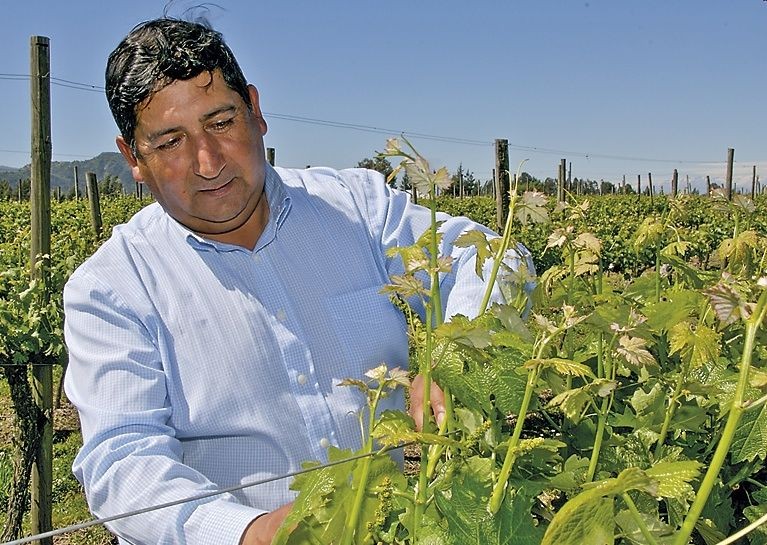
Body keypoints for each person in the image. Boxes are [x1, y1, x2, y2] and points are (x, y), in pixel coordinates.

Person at [63, 17, 533, 545]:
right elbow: (121, 460)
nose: (208, 161)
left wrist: (456, 361)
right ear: (134, 160)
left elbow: (495, 259)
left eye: (221, 122)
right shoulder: (111, 288)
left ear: (256, 111)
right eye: (171, 142)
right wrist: (249, 533)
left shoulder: (358, 207)